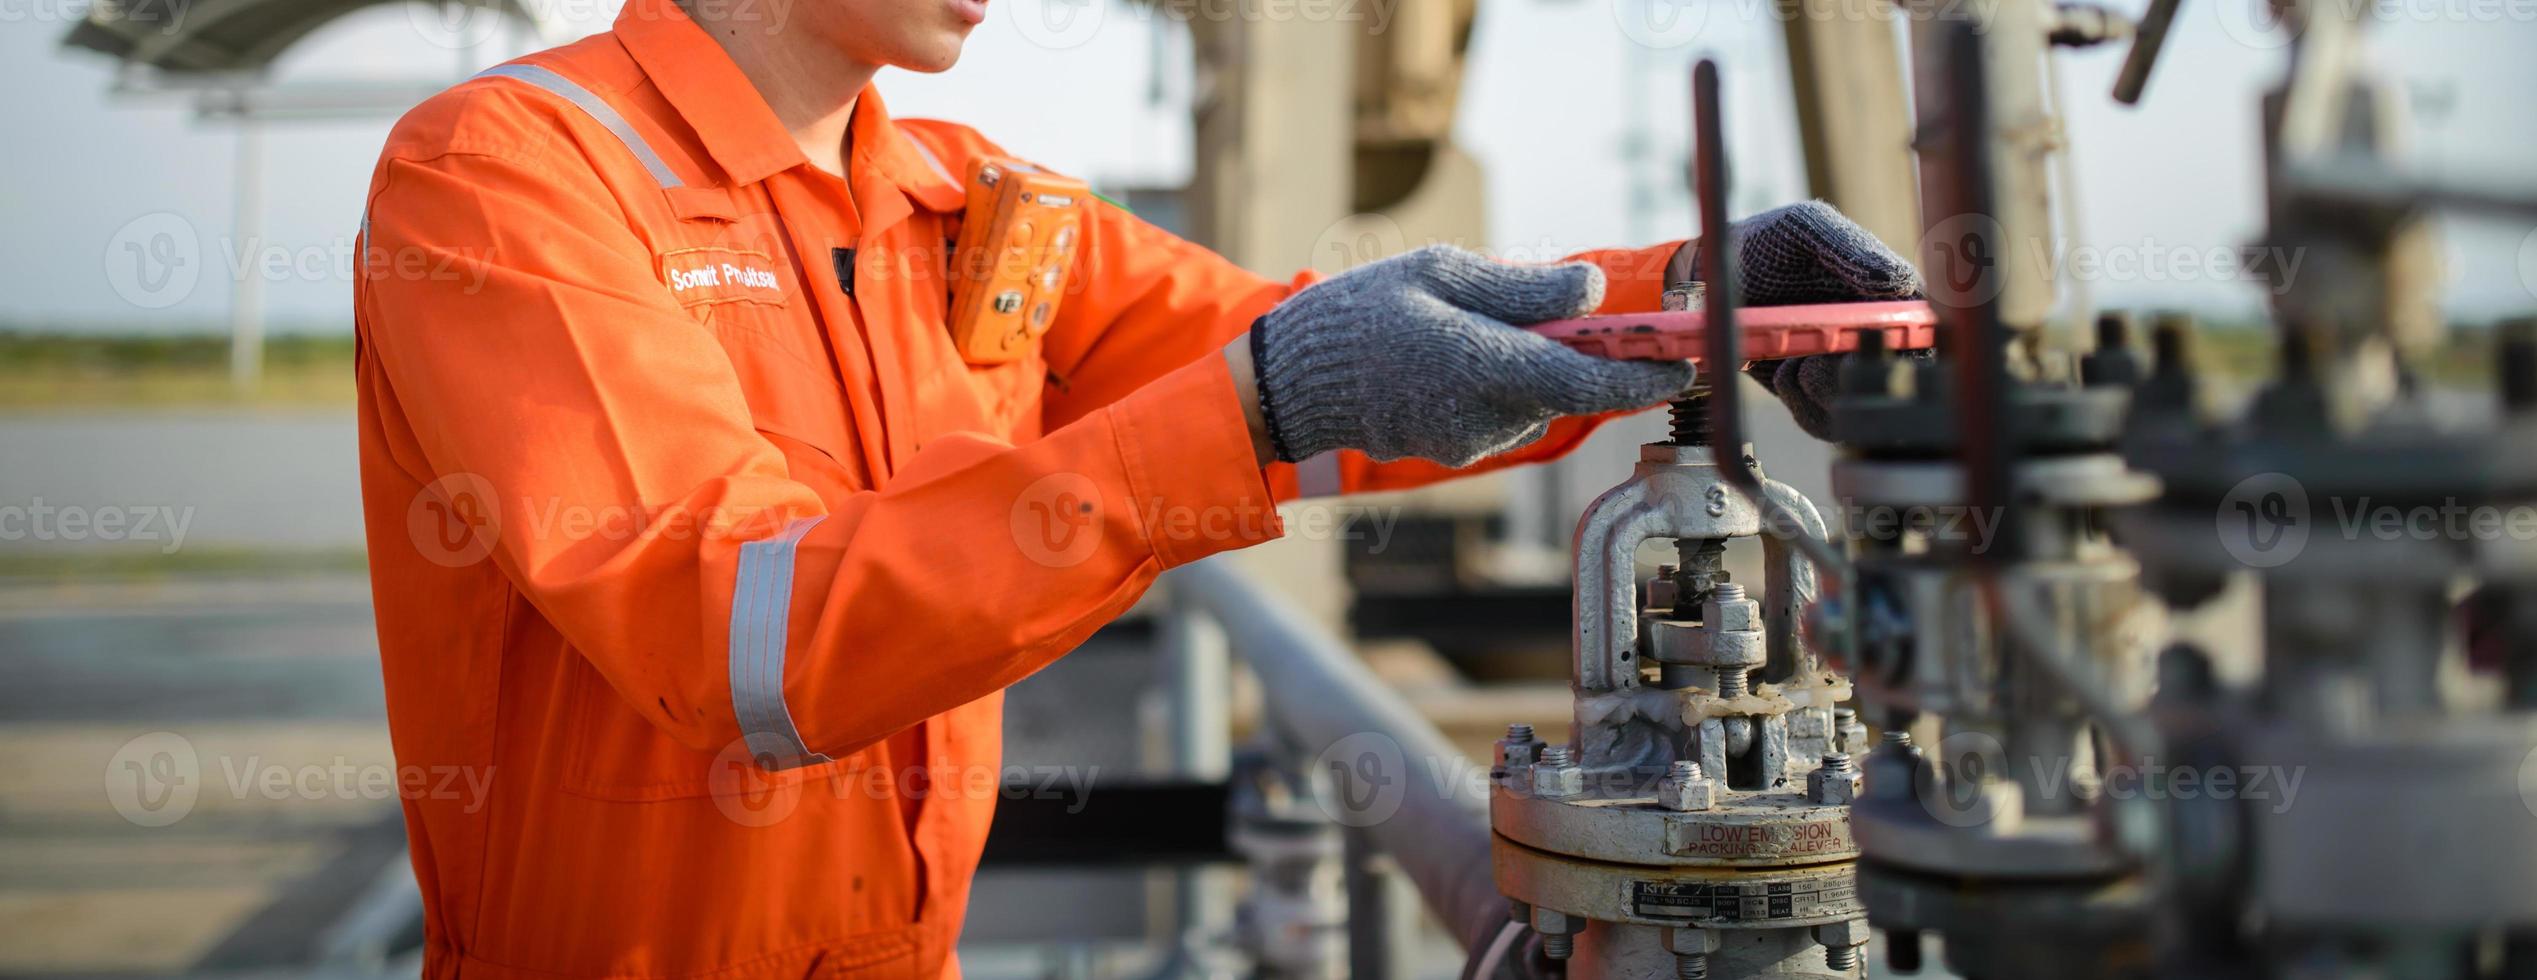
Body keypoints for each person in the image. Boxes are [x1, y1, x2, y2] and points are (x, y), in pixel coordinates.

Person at [351, 0, 1920, 974]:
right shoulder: (509, 177)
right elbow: (734, 638)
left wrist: (1685, 298)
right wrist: (1250, 408)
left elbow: (1321, 367)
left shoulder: (967, 203)